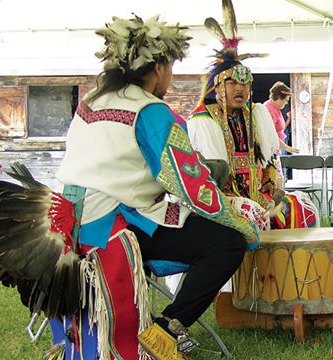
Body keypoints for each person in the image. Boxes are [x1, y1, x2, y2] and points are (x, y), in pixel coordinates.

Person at [55, 15, 258, 359]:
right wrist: (242, 224)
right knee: (227, 244)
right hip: (113, 228)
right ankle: (165, 329)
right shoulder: (149, 110)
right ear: (158, 66)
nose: (171, 76)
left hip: (68, 223)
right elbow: (192, 188)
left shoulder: (91, 99)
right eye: (172, 66)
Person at [188, 0, 317, 230]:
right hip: (224, 200)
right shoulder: (204, 119)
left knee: (302, 208)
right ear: (217, 88)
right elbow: (210, 176)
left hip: (256, 194)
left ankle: (283, 267)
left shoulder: (255, 114)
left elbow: (266, 159)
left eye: (245, 83)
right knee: (255, 215)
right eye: (233, 83)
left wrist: (269, 181)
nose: (240, 89)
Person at [264, 81, 299, 154]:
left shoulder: (275, 108)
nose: (286, 103)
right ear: (279, 97)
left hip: (275, 149)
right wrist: (287, 147)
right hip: (270, 151)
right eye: (286, 100)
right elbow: (270, 134)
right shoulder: (269, 109)